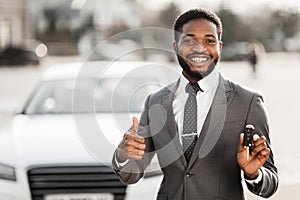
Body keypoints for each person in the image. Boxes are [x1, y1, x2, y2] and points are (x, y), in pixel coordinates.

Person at [112, 8, 278, 200]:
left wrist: (254, 174)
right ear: (175, 46)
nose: (200, 48)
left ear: (220, 47)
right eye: (189, 40)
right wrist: (123, 156)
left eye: (209, 41)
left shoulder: (248, 102)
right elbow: (131, 175)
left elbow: (270, 183)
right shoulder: (155, 102)